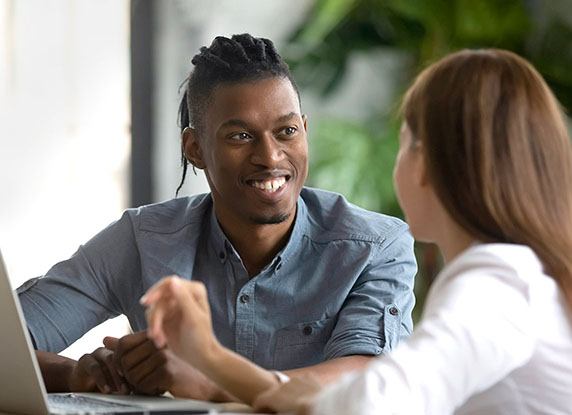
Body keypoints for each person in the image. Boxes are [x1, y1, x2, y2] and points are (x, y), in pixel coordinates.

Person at [142, 48, 572, 414]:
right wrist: (212, 363)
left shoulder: (495, 283)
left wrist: (209, 358)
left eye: (404, 141)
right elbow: (337, 400)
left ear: (427, 164)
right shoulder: (519, 273)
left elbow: (369, 405)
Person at [17, 33, 417, 401]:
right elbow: (9, 341)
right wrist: (78, 376)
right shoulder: (143, 239)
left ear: (304, 130)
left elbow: (364, 383)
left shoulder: (375, 247)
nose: (270, 156)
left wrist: (203, 381)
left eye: (286, 131)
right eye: (240, 136)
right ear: (194, 148)